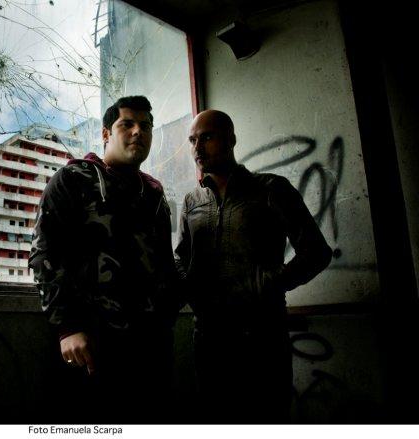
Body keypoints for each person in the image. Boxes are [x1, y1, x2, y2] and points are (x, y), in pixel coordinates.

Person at [174, 110, 332, 423]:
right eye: (192, 140)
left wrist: (272, 282)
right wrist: (187, 288)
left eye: (207, 137)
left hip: (262, 336)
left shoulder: (271, 189)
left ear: (231, 139)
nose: (197, 148)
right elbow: (182, 257)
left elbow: (316, 252)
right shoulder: (192, 201)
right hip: (208, 338)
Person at [29, 96, 177, 422]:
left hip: (150, 347)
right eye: (127, 124)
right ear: (106, 133)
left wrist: (167, 316)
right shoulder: (73, 179)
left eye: (146, 126)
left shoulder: (153, 194)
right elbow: (44, 253)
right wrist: (68, 326)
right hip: (92, 345)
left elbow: (165, 263)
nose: (138, 132)